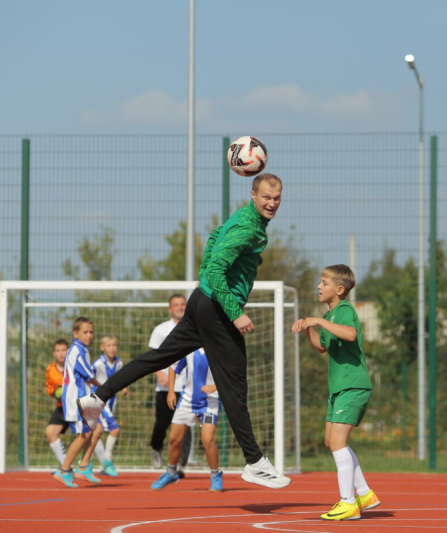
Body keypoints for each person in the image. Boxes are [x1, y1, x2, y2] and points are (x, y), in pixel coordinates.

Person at [78, 174, 290, 489]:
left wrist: (202, 277)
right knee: (234, 386)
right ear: (253, 195)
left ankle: (97, 397)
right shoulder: (248, 227)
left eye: (277, 198)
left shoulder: (245, 218)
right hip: (217, 309)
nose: (271, 203)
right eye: (266, 198)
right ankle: (255, 461)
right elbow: (219, 268)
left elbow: (216, 235)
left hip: (201, 302)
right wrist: (236, 312)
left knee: (157, 357)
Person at [292, 264, 379, 521]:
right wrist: (309, 329)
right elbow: (322, 347)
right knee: (331, 441)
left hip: (353, 385)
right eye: (320, 282)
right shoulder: (329, 317)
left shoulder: (344, 310)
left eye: (324, 283)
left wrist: (317, 320)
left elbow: (350, 334)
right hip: (339, 388)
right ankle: (364, 493)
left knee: (338, 442)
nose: (319, 286)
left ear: (339, 289)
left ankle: (348, 502)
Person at [151, 348, 223, 492]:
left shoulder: (219, 345)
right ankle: (171, 473)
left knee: (207, 439)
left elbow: (235, 373)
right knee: (173, 439)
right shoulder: (190, 346)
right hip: (187, 401)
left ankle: (215, 476)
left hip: (210, 401)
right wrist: (171, 391)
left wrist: (215, 386)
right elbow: (173, 368)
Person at [53, 317, 105, 488]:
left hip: (85, 396)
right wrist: (107, 387)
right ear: (75, 333)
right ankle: (64, 469)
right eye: (85, 332)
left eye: (91, 332)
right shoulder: (76, 350)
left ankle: (83, 467)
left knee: (97, 429)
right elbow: (89, 374)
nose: (89, 335)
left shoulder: (83, 349)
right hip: (76, 398)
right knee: (84, 434)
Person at [148, 294, 192, 474]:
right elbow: (152, 353)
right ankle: (156, 449)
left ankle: (181, 462)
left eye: (183, 304)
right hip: (166, 388)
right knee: (162, 423)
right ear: (170, 308)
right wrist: (160, 374)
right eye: (176, 305)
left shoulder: (193, 327)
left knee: (186, 426)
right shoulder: (161, 329)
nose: (180, 307)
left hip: (188, 387)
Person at [90, 334, 127, 477]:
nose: (112, 348)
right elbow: (88, 378)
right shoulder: (98, 364)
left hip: (111, 401)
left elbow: (122, 377)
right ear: (102, 347)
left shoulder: (118, 363)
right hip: (99, 401)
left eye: (114, 345)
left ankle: (91, 462)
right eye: (109, 345)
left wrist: (124, 387)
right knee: (114, 429)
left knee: (97, 432)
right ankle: (107, 461)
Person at [45, 339, 70, 466]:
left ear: (68, 351)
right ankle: (65, 466)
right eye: (58, 350)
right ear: (54, 353)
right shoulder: (50, 369)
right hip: (62, 407)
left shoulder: (72, 366)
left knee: (88, 434)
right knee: (50, 432)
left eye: (64, 350)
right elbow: (49, 387)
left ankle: (103, 461)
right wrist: (55, 393)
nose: (61, 353)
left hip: (76, 406)